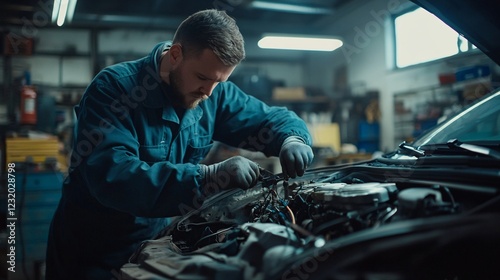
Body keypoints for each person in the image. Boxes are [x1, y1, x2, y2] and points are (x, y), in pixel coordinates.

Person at [46, 9, 314, 280]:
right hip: (92, 251)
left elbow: (269, 119)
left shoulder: (214, 93)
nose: (209, 92)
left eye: (219, 81)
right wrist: (207, 176)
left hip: (155, 244)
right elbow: (114, 176)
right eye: (202, 78)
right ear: (175, 55)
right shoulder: (113, 90)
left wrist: (291, 138)